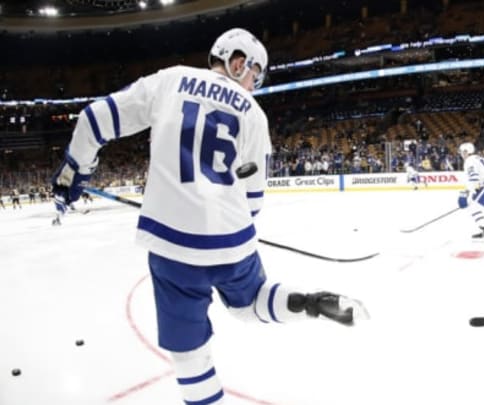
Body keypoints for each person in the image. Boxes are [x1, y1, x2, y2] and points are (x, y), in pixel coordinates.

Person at [50, 28, 369, 405]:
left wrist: (76, 170)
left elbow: (93, 119)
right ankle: (309, 303)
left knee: (190, 356)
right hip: (233, 242)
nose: (254, 85)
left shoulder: (170, 80)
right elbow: (252, 201)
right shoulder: (254, 114)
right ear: (238, 63)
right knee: (250, 304)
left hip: (173, 245)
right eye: (255, 75)